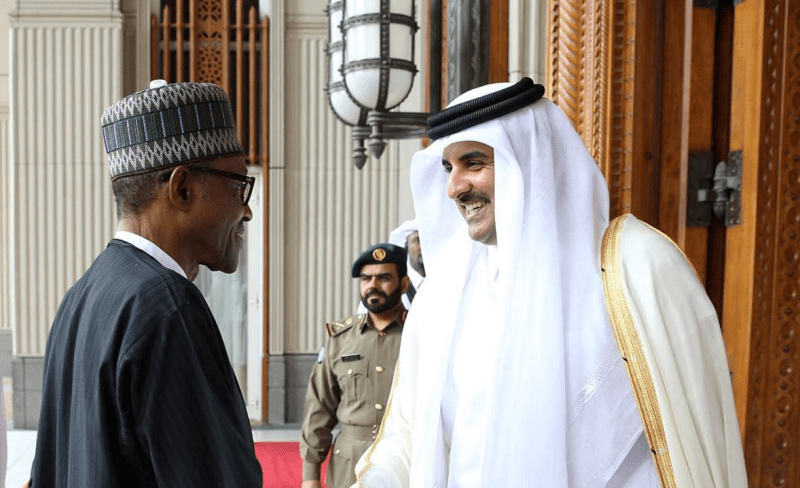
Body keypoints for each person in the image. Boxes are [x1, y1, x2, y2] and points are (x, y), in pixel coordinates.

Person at [354, 78, 747, 487]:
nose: (455, 187)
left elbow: (692, 436)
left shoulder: (635, 267)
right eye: (448, 168)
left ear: (529, 160)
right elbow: (407, 436)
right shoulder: (442, 296)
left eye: (474, 163)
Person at [27, 80, 262, 487]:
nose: (246, 211)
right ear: (183, 188)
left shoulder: (81, 296)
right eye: (238, 185)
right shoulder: (168, 308)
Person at [300, 243, 409, 488]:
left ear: (404, 284)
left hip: (404, 458)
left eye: (383, 278)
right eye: (366, 278)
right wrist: (310, 475)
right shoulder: (340, 338)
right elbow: (319, 406)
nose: (373, 285)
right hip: (349, 463)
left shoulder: (419, 333)